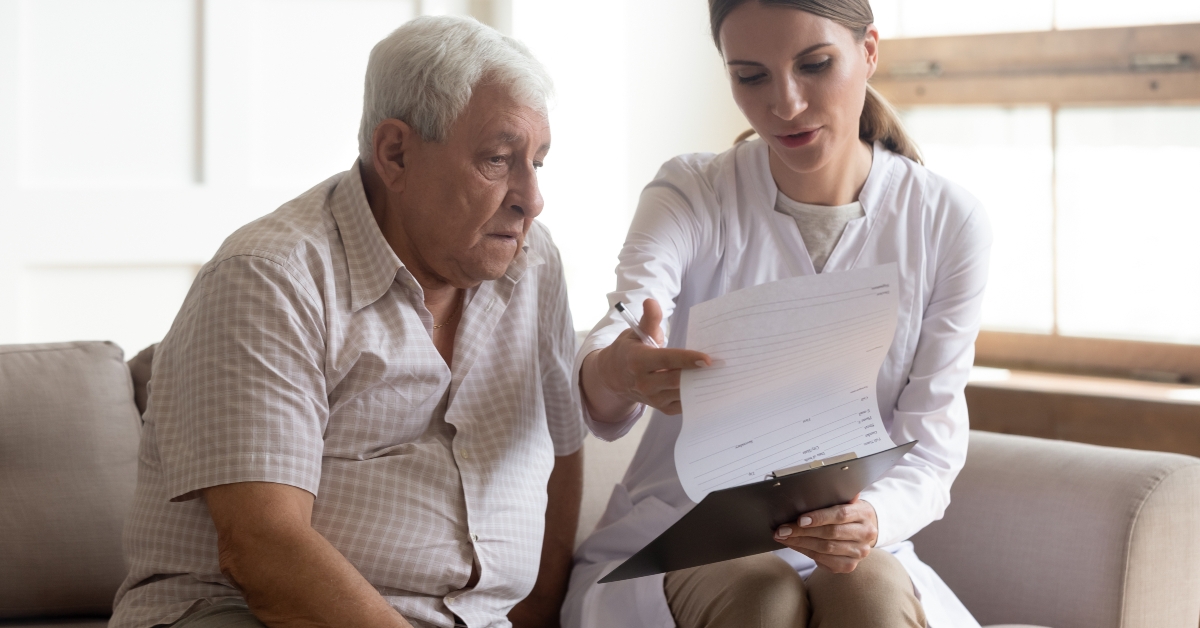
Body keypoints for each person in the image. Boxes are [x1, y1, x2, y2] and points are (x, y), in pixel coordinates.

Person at [109, 16, 585, 628]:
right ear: (395, 153)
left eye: (537, 163)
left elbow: (564, 449)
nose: (532, 198)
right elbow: (264, 553)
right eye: (497, 159)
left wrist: (539, 615)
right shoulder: (269, 277)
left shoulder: (535, 261)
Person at [564, 1, 991, 627]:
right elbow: (629, 315)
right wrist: (622, 368)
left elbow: (931, 446)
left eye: (815, 65)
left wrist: (872, 519)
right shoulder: (692, 194)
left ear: (869, 50)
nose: (784, 104)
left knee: (867, 596)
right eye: (751, 76)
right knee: (762, 594)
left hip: (854, 539)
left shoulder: (948, 222)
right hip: (677, 536)